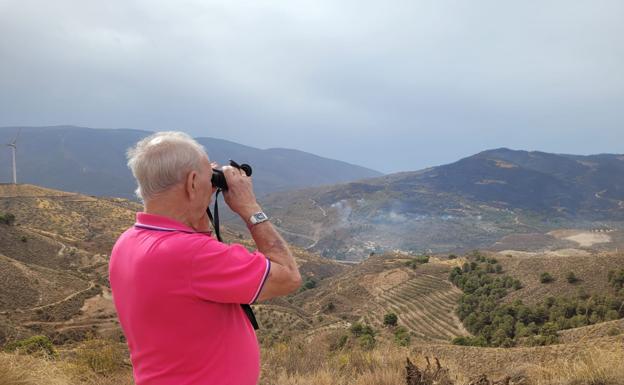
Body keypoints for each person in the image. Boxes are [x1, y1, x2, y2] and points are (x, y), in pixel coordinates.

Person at [109, 131, 302, 385]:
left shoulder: (127, 242)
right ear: (191, 182)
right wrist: (249, 207)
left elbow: (192, 271)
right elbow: (288, 276)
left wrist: (197, 198)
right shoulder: (191, 255)